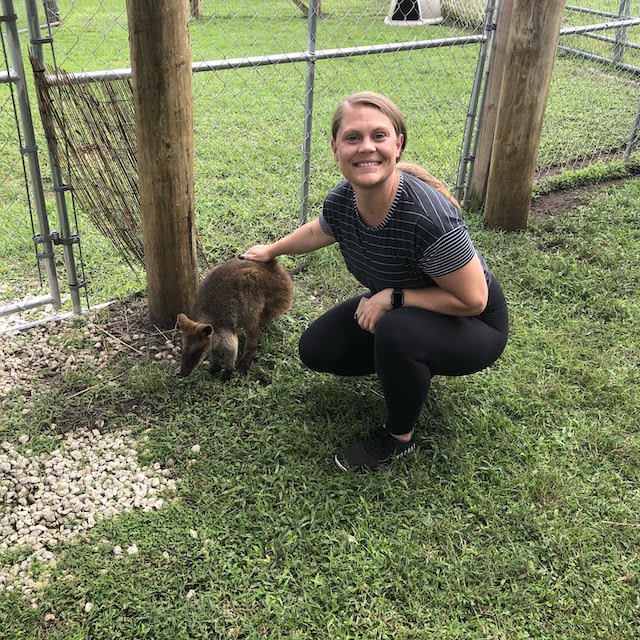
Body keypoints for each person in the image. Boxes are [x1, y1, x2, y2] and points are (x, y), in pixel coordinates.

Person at [243, 91, 509, 472]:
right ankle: (409, 367)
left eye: (378, 136)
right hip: (412, 307)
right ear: (335, 148)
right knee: (317, 349)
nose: (366, 147)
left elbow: (474, 300)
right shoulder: (343, 201)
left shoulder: (428, 218)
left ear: (397, 144)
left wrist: (394, 297)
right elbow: (320, 230)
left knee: (397, 332)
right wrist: (272, 250)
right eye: (353, 137)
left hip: (475, 325)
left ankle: (399, 437)